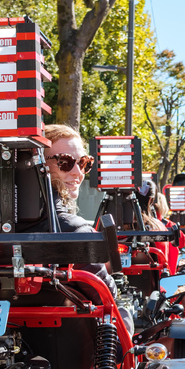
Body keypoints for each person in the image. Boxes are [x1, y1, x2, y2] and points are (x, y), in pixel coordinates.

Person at [43, 124, 124, 318]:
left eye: (84, 163)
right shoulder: (75, 231)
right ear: (38, 164)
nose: (78, 173)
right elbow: (106, 295)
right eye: (65, 162)